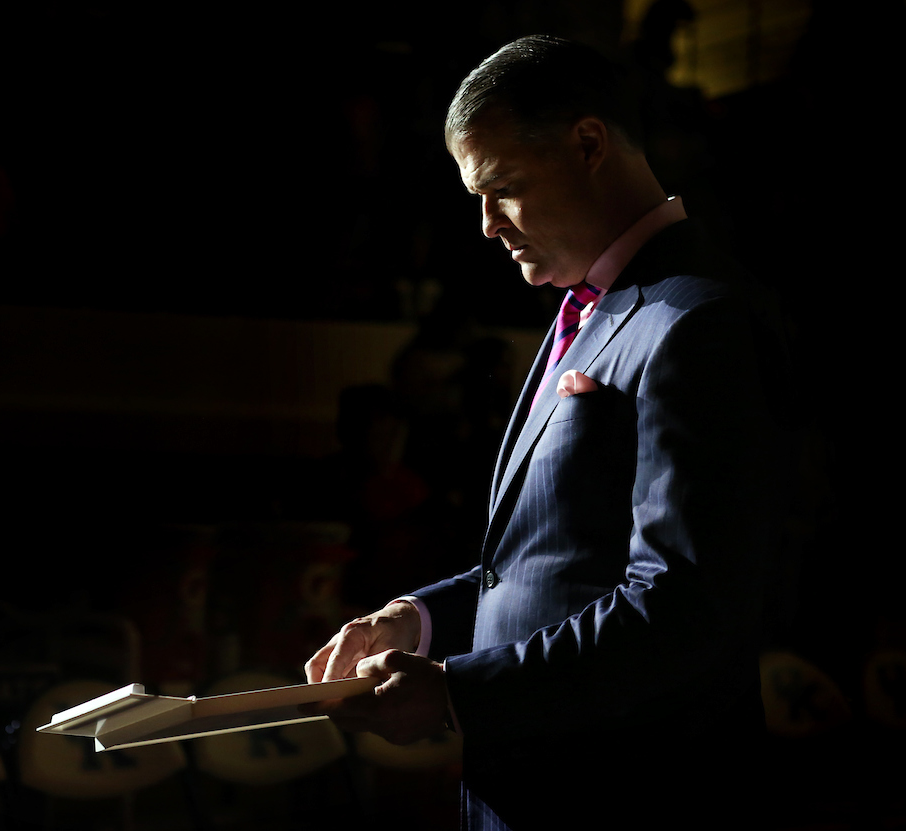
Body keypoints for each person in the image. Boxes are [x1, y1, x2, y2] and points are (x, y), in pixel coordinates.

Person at [303, 35, 788, 830]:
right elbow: (547, 567)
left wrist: (460, 694)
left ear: (589, 144)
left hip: (628, 794)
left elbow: (686, 605)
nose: (487, 225)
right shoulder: (590, 309)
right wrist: (417, 619)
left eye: (503, 189)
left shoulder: (698, 319)